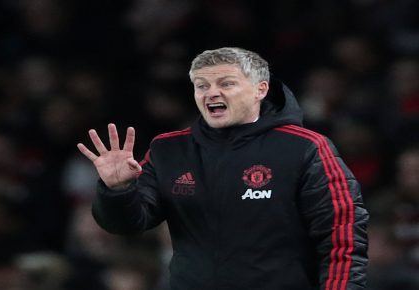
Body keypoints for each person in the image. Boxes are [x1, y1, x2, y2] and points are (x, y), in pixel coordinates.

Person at [77, 47, 369, 290]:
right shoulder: (169, 149)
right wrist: (118, 190)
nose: (211, 93)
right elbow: (127, 224)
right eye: (202, 86)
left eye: (226, 84)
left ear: (260, 90)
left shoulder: (306, 147)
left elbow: (342, 240)